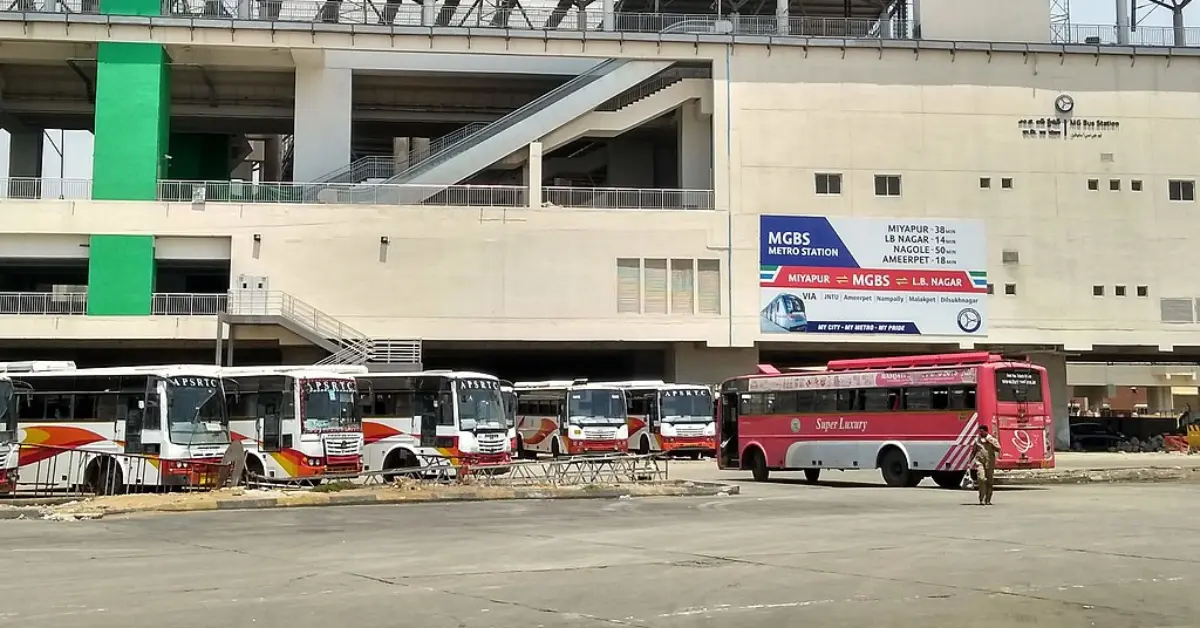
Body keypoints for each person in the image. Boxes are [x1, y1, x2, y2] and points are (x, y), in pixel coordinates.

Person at [972, 424, 1001, 506]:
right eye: (979, 431)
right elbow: (973, 451)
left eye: (982, 431)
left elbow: (998, 448)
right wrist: (970, 460)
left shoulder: (991, 439)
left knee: (989, 481)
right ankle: (981, 499)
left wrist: (991, 443)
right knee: (981, 478)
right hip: (980, 461)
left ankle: (988, 499)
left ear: (986, 431)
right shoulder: (977, 440)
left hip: (989, 462)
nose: (980, 433)